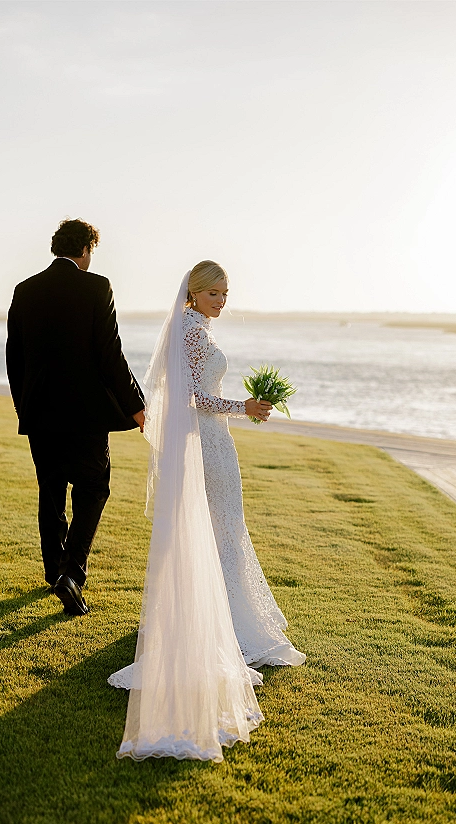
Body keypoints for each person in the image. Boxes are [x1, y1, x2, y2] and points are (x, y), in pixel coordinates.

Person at [109, 262, 305, 763]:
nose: (221, 300)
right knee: (222, 530)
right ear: (192, 295)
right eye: (213, 293)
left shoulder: (191, 327)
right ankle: (224, 628)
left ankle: (222, 618)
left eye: (225, 292)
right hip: (209, 443)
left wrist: (242, 410)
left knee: (223, 529)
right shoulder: (192, 331)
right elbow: (193, 397)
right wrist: (245, 407)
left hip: (213, 442)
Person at [6, 219, 145, 617]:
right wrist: (137, 407)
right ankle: (72, 574)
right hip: (86, 416)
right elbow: (110, 355)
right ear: (86, 248)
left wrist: (23, 406)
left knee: (50, 493)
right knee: (93, 490)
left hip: (40, 414)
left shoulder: (25, 290)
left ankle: (55, 574)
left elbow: (15, 357)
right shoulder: (96, 286)